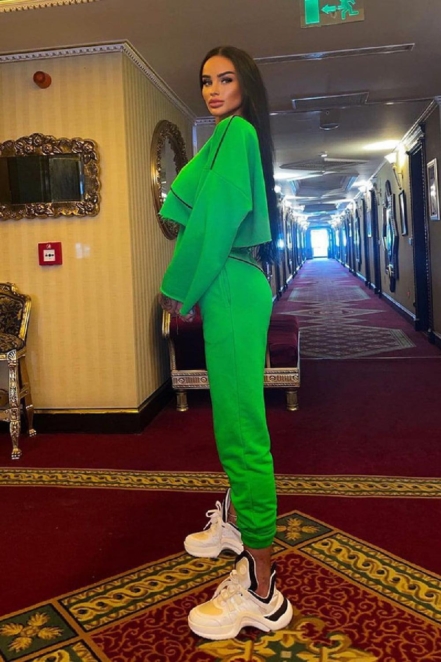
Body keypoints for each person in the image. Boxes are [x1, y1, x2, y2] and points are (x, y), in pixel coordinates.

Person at [159, 45, 293, 641]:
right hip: (230, 283)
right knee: (233, 421)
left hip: (231, 283)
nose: (213, 90)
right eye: (206, 80)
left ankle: (263, 590)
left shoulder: (237, 133)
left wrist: (177, 286)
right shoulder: (225, 137)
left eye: (226, 79)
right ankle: (236, 523)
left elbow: (214, 218)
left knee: (241, 430)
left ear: (246, 85)